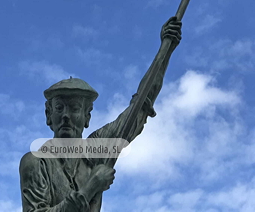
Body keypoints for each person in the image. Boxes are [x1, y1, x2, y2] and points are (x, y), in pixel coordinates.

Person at [19, 16, 182, 212]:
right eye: (59, 108)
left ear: (87, 117)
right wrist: (89, 188)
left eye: (75, 108)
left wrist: (165, 50)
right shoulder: (36, 162)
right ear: (48, 116)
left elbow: (139, 107)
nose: (66, 116)